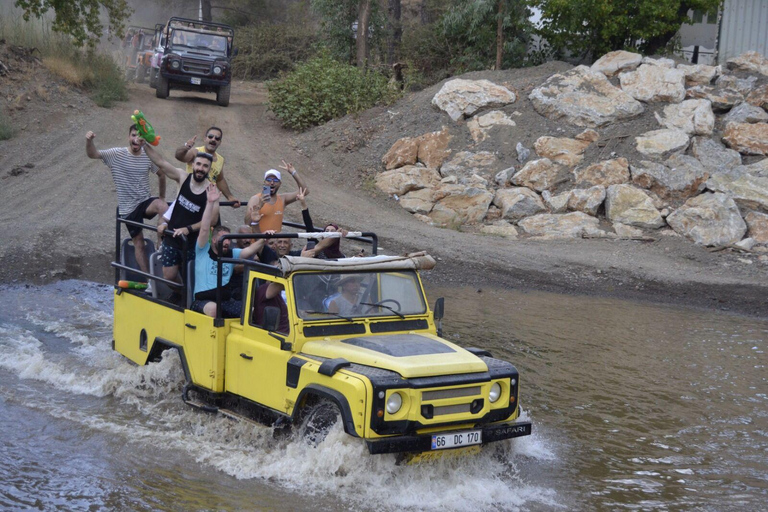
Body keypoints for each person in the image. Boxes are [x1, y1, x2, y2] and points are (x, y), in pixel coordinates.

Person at [85, 126, 168, 274]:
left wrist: (162, 196)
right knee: (139, 243)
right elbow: (93, 154)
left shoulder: (147, 155)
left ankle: (161, 245)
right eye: (133, 135)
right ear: (128, 137)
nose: (136, 139)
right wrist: (89, 141)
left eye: (139, 136)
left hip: (144, 202)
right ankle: (150, 280)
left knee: (163, 206)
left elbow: (162, 174)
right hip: (128, 208)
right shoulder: (117, 154)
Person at [191, 184, 271, 318]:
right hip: (203, 301)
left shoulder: (231, 253)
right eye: (223, 239)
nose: (227, 242)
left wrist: (264, 238)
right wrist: (210, 203)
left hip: (225, 301)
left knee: (252, 312)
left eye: (228, 240)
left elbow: (250, 250)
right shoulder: (203, 251)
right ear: (214, 240)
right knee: (214, 310)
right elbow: (205, 228)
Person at [143, 143, 212, 284]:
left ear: (209, 169)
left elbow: (212, 220)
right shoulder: (183, 177)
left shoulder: (211, 191)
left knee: (192, 278)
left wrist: (188, 229)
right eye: (198, 164)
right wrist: (144, 144)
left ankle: (187, 298)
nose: (201, 168)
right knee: (169, 276)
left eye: (205, 166)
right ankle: (181, 295)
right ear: (193, 164)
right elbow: (161, 162)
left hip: (193, 242)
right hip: (172, 237)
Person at [175, 127, 239, 208]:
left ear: (220, 142)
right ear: (205, 139)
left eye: (217, 138)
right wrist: (186, 147)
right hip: (189, 200)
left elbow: (219, 179)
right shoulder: (196, 152)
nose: (213, 139)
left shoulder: (220, 159)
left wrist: (230, 197)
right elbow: (179, 157)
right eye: (210, 136)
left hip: (206, 203)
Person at [245, 160, 309, 233]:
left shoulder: (282, 199)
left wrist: (293, 173)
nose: (272, 183)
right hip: (259, 242)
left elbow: (304, 191)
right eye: (268, 180)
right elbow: (246, 223)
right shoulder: (255, 199)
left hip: (275, 243)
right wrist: (259, 206)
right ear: (264, 182)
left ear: (280, 183)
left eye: (275, 180)